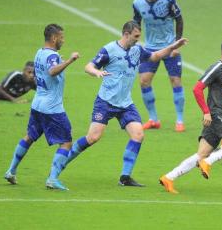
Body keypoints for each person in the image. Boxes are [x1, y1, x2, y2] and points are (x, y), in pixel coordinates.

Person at [66, 21, 188, 187]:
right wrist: (96, 72)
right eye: (136, 36)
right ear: (126, 34)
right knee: (93, 137)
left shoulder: (137, 50)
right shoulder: (109, 49)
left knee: (138, 135)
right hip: (106, 102)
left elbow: (156, 56)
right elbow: (88, 66)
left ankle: (125, 177)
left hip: (125, 104)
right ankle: (62, 160)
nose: (138, 39)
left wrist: (173, 46)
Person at [159, 40, 222, 194]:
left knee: (201, 154)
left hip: (216, 119)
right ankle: (208, 162)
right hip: (217, 116)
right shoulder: (216, 69)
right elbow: (197, 89)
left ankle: (168, 178)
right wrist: (206, 111)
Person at [4, 24, 80, 190]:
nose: (63, 40)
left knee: (29, 136)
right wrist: (69, 60)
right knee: (66, 142)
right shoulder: (52, 56)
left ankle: (11, 170)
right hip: (52, 108)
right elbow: (52, 71)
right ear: (54, 38)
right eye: (61, 37)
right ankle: (52, 178)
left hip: (38, 104)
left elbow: (41, 76)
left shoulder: (39, 53)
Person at [132, 0, 185, 132]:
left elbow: (180, 19)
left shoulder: (169, 0)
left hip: (169, 47)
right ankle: (154, 119)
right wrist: (134, 43)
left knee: (175, 81)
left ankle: (180, 120)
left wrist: (176, 45)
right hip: (150, 48)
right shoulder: (137, 3)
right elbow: (136, 22)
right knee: (144, 81)